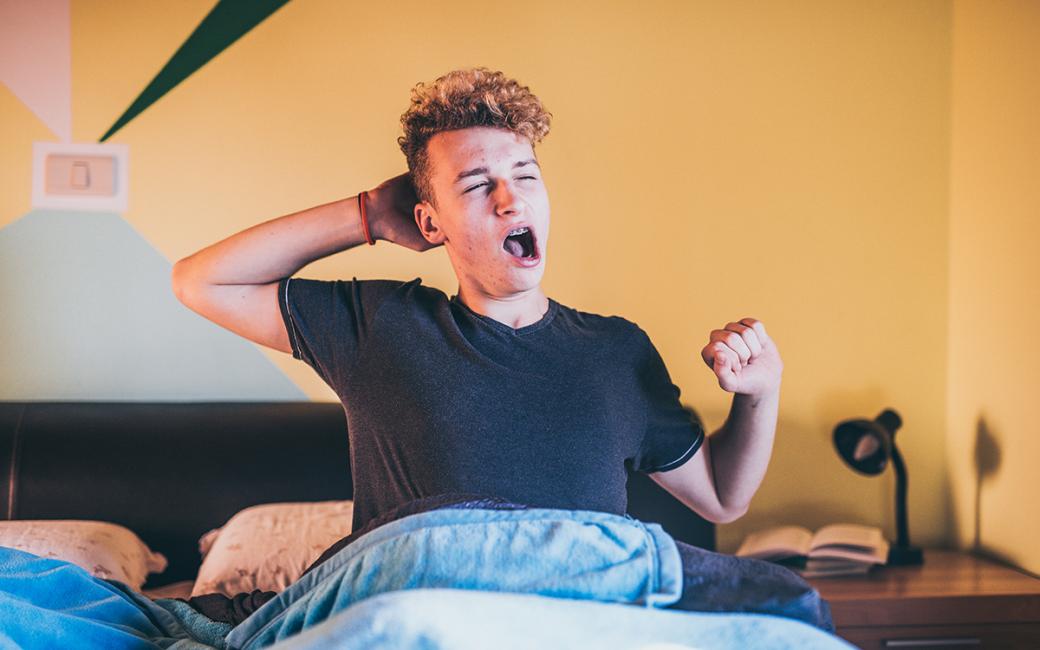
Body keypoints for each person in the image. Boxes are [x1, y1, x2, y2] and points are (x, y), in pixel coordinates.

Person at [171, 66, 782, 540]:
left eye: (525, 174)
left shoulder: (618, 352)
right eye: (476, 184)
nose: (510, 200)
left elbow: (723, 497)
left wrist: (760, 392)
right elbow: (202, 282)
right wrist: (368, 215)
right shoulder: (380, 327)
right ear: (430, 222)